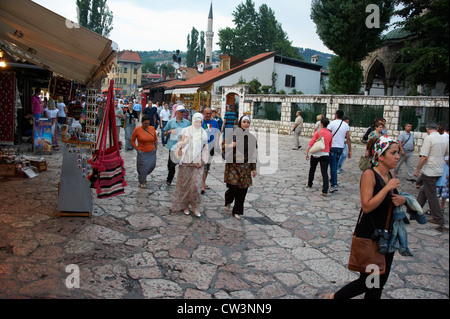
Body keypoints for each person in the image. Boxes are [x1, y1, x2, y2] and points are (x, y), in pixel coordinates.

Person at [329, 136, 405, 299]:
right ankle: (334, 297)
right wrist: (386, 189)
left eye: (397, 152)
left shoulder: (390, 175)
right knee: (367, 281)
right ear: (381, 156)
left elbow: (392, 199)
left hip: (387, 235)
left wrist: (402, 199)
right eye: (393, 153)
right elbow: (367, 206)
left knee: (379, 281)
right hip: (371, 235)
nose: (397, 156)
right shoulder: (369, 175)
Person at [171, 113, 209, 218]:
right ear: (192, 121)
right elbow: (179, 144)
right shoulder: (186, 131)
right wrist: (184, 143)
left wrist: (202, 162)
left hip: (197, 164)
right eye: (196, 121)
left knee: (195, 187)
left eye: (200, 121)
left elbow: (206, 149)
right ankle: (186, 206)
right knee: (185, 186)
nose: (198, 123)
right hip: (186, 163)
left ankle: (195, 206)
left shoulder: (204, 133)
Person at [414, 123, 449, 226]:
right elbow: (446, 154)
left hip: (430, 170)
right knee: (424, 191)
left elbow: (424, 156)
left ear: (427, 129)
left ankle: (438, 217)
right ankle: (415, 210)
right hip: (439, 170)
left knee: (431, 194)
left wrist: (418, 169)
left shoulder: (429, 139)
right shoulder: (444, 138)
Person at [222, 116, 257, 220]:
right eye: (244, 122)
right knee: (233, 187)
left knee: (243, 190)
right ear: (240, 123)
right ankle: (228, 201)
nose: (246, 124)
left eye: (248, 122)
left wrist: (253, 168)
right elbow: (223, 145)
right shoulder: (232, 134)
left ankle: (237, 211)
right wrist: (230, 145)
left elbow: (253, 154)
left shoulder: (251, 138)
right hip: (233, 164)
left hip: (245, 167)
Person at [163, 105, 191, 186]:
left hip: (183, 148)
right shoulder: (171, 122)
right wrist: (169, 131)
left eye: (183, 112)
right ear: (177, 112)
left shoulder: (187, 123)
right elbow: (164, 133)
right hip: (173, 147)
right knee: (171, 165)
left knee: (183, 165)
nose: (182, 113)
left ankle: (182, 181)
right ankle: (169, 179)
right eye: (181, 112)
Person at [305, 117, 333, 196]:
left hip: (316, 154)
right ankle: (325, 190)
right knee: (324, 172)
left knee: (312, 169)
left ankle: (310, 183)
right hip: (325, 154)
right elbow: (330, 145)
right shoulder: (330, 134)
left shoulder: (318, 132)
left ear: (321, 124)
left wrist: (307, 152)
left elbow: (312, 142)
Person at [328, 110, 352, 193]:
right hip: (341, 147)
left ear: (336, 115)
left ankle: (334, 184)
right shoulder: (345, 125)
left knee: (333, 166)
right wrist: (350, 150)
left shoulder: (331, 124)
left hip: (333, 146)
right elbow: (348, 138)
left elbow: (328, 135)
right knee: (336, 164)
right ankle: (332, 179)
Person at [131, 115, 158, 189]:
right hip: (142, 152)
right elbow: (132, 140)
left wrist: (156, 147)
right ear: (142, 122)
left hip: (151, 151)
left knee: (152, 165)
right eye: (145, 123)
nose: (146, 125)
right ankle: (142, 181)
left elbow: (155, 138)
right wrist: (137, 149)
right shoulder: (137, 130)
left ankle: (143, 176)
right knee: (142, 168)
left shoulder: (152, 128)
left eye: (148, 123)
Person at [201, 107, 220, 194]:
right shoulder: (200, 122)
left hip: (210, 147)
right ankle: (200, 183)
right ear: (204, 113)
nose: (208, 115)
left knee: (207, 166)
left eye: (209, 113)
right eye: (206, 113)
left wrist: (216, 144)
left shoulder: (215, 122)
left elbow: (217, 134)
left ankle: (203, 183)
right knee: (200, 165)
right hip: (201, 147)